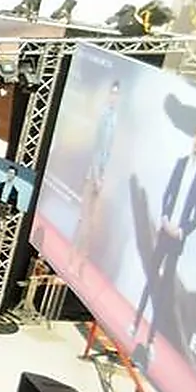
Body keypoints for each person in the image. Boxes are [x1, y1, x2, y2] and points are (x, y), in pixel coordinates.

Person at [132, 122, 196, 359]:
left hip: (177, 238)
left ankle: (151, 338)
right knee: (151, 276)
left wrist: (181, 231)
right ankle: (135, 322)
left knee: (164, 289)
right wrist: (164, 218)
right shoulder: (181, 164)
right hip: (164, 230)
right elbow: (168, 194)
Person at [70, 80, 119, 275]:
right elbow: (98, 149)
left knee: (92, 225)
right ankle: (73, 261)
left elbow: (110, 151)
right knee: (85, 222)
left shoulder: (116, 119)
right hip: (93, 176)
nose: (114, 97)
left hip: (104, 178)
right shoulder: (104, 117)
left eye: (117, 94)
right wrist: (98, 176)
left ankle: (81, 263)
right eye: (112, 93)